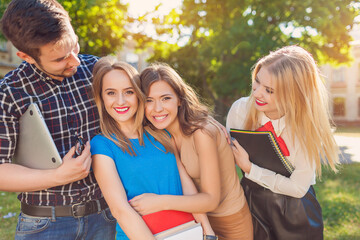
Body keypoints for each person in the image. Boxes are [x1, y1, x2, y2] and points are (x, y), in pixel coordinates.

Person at [0, 0, 116, 239]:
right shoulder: (8, 93)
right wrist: (57, 176)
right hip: (44, 224)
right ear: (26, 56)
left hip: (106, 216)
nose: (74, 61)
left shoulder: (97, 70)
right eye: (60, 59)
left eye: (74, 46)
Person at [90, 56, 216, 240]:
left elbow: (185, 185)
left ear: (138, 94)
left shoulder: (160, 133)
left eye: (128, 92)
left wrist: (208, 231)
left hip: (187, 232)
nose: (121, 101)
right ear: (101, 97)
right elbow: (120, 210)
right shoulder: (102, 145)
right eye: (111, 93)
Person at [226, 45, 339, 240]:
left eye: (269, 90)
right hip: (251, 200)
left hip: (295, 210)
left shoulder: (305, 128)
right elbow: (226, 161)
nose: (258, 93)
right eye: (257, 82)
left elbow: (297, 188)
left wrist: (250, 168)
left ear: (293, 94)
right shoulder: (240, 110)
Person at [130, 63, 253, 240]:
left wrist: (159, 202)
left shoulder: (201, 132)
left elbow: (211, 200)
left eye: (165, 98)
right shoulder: (157, 132)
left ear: (179, 99)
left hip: (230, 221)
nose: (157, 108)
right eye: (149, 100)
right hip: (192, 221)